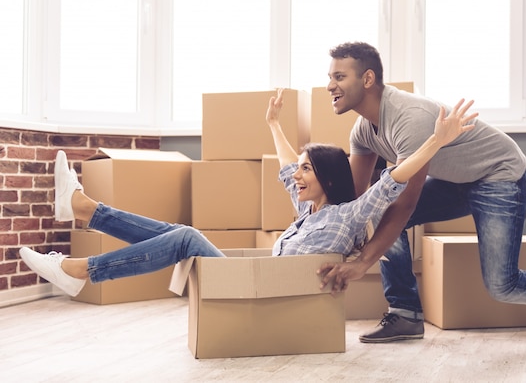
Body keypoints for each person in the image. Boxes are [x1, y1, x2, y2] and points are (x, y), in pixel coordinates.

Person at [19, 88, 477, 299]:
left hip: (269, 294)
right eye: (299, 169)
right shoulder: (307, 209)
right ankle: (83, 209)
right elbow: (282, 167)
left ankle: (81, 269)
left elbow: (394, 178)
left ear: (328, 179)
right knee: (182, 234)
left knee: (184, 238)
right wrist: (274, 124)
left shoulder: (349, 214)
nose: (295, 176)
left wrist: (435, 141)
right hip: (263, 284)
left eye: (306, 169)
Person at [318, 41, 526, 345]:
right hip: (457, 179)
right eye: (330, 77)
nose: (330, 85)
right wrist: (318, 225)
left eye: (339, 77)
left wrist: (362, 263)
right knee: (381, 208)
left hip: (498, 175)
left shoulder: (408, 119)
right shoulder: (362, 130)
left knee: (503, 285)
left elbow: (404, 205)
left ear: (367, 79)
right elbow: (357, 200)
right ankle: (405, 313)